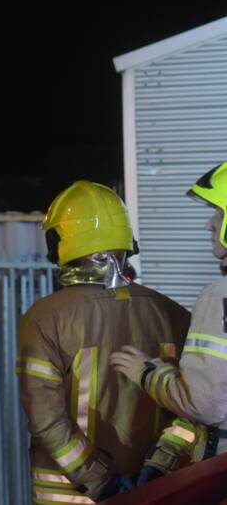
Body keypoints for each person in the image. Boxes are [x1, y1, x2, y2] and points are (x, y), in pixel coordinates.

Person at [18, 181, 189, 503]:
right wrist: (157, 471)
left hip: (70, 494)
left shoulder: (44, 317)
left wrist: (102, 483)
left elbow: (45, 419)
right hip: (158, 490)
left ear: (61, 241)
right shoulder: (176, 315)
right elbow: (190, 409)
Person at [112, 161, 227, 470]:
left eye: (218, 213)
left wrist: (146, 372)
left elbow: (203, 404)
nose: (209, 225)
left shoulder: (220, 296)